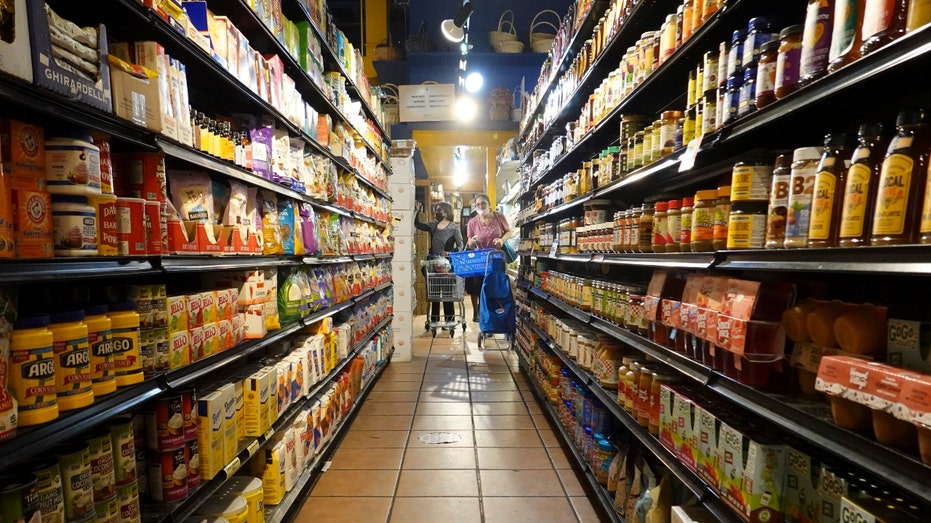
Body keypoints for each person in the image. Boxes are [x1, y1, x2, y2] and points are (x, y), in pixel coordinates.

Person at [415, 201, 463, 330]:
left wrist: (450, 252)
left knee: (447, 294)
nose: (436, 212)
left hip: (447, 264)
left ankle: (449, 321)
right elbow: (418, 224)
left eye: (439, 210)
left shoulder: (454, 227)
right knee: (434, 294)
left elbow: (460, 245)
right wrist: (417, 210)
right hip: (432, 263)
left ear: (446, 212)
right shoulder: (433, 225)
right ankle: (434, 321)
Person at [464, 193, 513, 321]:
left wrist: (502, 240)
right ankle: (481, 314)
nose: (481, 206)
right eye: (478, 204)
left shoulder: (499, 217)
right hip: (479, 259)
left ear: (489, 204)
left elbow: (509, 231)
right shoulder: (472, 222)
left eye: (483, 203)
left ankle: (495, 314)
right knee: (479, 287)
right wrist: (472, 241)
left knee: (494, 286)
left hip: (496, 259)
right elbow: (469, 242)